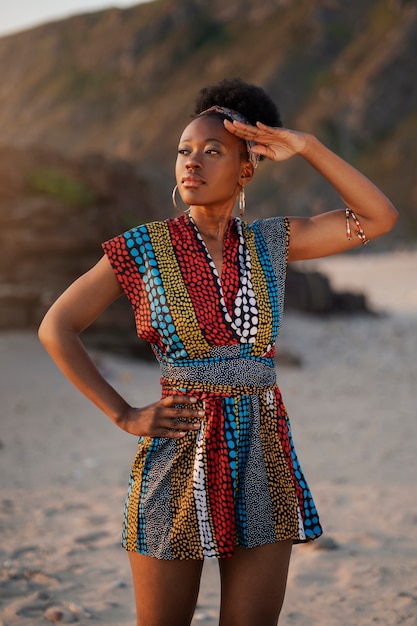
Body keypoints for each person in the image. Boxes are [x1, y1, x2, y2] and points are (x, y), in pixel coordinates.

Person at [38, 77, 398, 626]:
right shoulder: (141, 248)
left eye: (212, 151)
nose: (192, 163)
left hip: (263, 452)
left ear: (246, 168)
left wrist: (306, 147)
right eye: (184, 151)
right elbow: (56, 326)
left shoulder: (273, 242)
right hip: (177, 452)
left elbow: (378, 218)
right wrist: (124, 413)